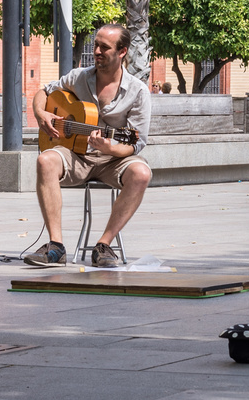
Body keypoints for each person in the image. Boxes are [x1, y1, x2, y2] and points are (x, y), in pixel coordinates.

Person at [25, 23, 153, 268]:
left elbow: (136, 143)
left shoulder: (137, 91)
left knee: (141, 173)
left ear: (122, 51)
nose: (96, 51)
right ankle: (56, 247)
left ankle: (104, 245)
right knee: (45, 160)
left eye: (104, 47)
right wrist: (41, 113)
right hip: (76, 155)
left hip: (113, 159)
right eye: (95, 45)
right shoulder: (79, 77)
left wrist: (111, 148)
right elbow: (44, 91)